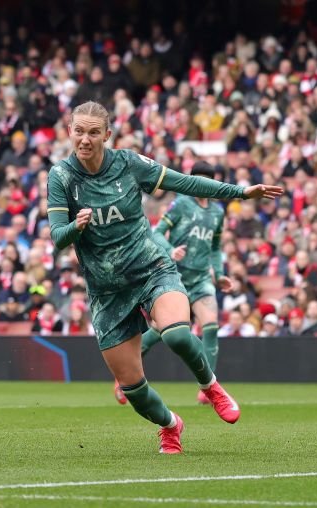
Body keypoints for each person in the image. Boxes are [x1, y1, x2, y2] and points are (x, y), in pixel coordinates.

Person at [47, 101, 283, 453]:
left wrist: (239, 192)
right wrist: (75, 228)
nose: (85, 139)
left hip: (150, 268)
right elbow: (56, 238)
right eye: (79, 131)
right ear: (69, 131)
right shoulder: (61, 177)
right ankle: (171, 426)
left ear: (107, 135)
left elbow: (184, 182)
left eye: (93, 132)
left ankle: (211, 387)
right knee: (133, 389)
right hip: (106, 291)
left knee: (175, 334)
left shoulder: (127, 163)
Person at [116, 161, 232, 406]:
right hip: (175, 275)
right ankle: (124, 375)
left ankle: (208, 388)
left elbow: (215, 247)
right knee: (160, 330)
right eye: (197, 180)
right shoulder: (181, 204)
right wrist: (171, 250)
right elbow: (157, 232)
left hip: (200, 278)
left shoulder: (218, 212)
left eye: (207, 181)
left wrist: (219, 274)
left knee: (210, 325)